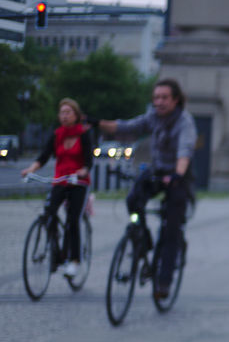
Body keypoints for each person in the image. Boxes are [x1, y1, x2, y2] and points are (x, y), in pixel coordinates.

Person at [97, 79, 196, 300]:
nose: (159, 102)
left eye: (164, 98)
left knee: (171, 228)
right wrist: (97, 123)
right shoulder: (152, 116)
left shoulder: (184, 122)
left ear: (175, 100)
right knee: (133, 198)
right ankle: (143, 237)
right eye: (156, 97)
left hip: (178, 175)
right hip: (157, 171)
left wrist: (178, 174)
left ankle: (163, 281)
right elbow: (128, 127)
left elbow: (185, 150)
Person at [20, 98, 94, 278]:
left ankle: (74, 261)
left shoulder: (83, 134)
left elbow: (88, 161)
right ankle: (57, 252)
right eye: (62, 112)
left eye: (68, 112)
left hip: (78, 182)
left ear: (76, 115)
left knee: (72, 219)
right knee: (49, 213)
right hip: (60, 180)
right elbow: (43, 156)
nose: (64, 116)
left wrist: (82, 170)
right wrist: (30, 169)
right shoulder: (57, 134)